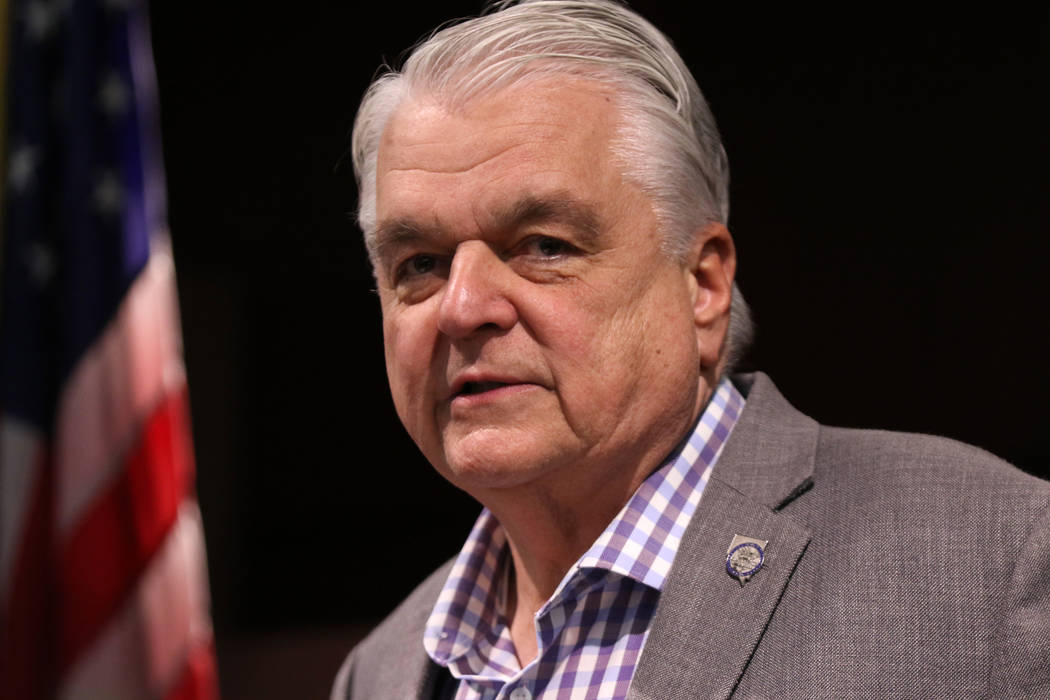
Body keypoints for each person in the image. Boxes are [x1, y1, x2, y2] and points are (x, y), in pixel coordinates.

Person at [332, 1, 1050, 697]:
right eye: (419, 264)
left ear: (702, 282)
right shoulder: (382, 670)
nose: (462, 307)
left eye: (544, 246)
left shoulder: (995, 561)